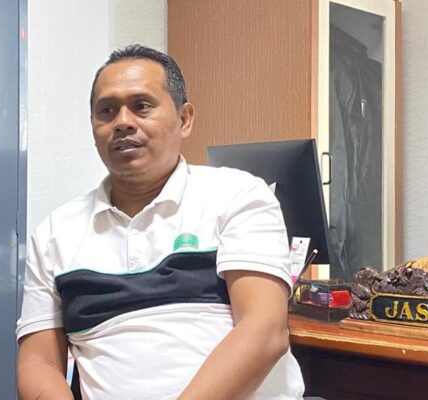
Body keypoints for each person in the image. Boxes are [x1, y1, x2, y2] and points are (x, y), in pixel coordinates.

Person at [16, 44, 304, 400]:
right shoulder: (55, 233)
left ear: (184, 119)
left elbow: (264, 330)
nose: (123, 122)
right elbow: (39, 363)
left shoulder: (237, 195)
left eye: (142, 106)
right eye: (107, 110)